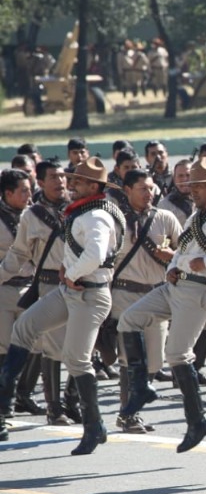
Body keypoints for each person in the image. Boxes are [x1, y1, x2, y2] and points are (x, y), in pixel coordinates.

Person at [117, 157, 206, 453]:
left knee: (177, 354)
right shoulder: (199, 214)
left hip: (201, 289)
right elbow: (182, 249)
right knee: (129, 320)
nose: (193, 190)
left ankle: (197, 420)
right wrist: (173, 268)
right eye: (191, 185)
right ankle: (141, 386)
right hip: (176, 285)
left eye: (199, 185)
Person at [0, 158, 125, 453]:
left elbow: (94, 255)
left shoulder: (97, 216)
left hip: (89, 295)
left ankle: (94, 427)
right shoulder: (86, 210)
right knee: (24, 327)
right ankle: (4, 406)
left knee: (76, 359)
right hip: (70, 291)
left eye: (77, 181)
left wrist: (71, 272)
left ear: (93, 186)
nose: (71, 184)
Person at [0, 160, 77, 425]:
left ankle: (73, 402)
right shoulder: (32, 216)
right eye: (53, 177)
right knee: (52, 347)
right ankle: (54, 409)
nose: (60, 181)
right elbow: (19, 253)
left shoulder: (78, 207)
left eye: (62, 176)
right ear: (40, 183)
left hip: (82, 285)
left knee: (82, 348)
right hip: (49, 285)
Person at [109, 170, 181, 433]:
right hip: (124, 295)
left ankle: (133, 410)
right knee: (130, 359)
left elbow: (184, 253)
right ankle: (128, 414)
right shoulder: (115, 220)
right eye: (142, 188)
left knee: (153, 360)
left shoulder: (165, 218)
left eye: (151, 188)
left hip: (157, 295)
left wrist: (170, 254)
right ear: (127, 190)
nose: (149, 193)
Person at [0, 169, 46, 418]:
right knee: (5, 346)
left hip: (30, 287)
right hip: (3, 289)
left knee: (37, 343)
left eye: (30, 189)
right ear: (8, 193)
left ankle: (24, 394)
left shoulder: (35, 215)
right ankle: (4, 401)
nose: (30, 194)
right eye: (24, 190)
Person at [157, 159, 194, 226]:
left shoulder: (204, 201)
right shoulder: (164, 206)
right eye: (180, 176)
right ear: (174, 179)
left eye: (188, 175)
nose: (185, 179)